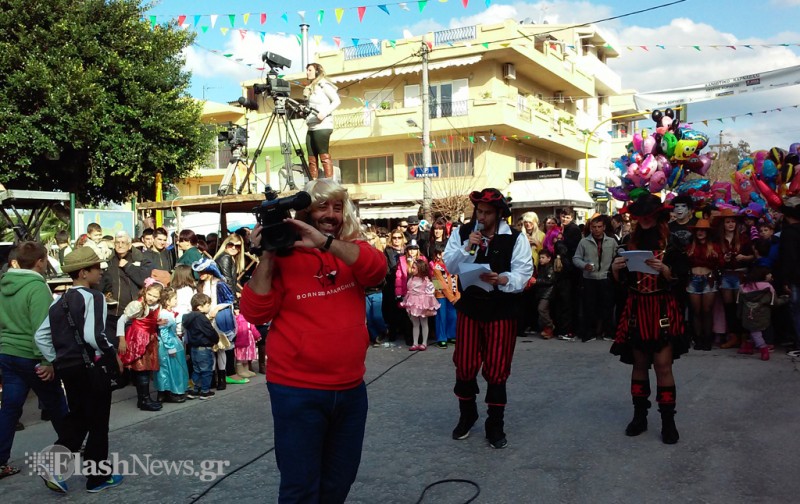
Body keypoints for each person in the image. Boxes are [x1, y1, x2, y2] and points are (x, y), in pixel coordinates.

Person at [240, 178, 386, 503]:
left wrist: (324, 244)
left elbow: (376, 271)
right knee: (300, 487)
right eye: (323, 206)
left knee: (339, 481)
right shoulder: (282, 257)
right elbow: (254, 313)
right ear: (305, 210)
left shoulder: (352, 251)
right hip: (296, 391)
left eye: (337, 207)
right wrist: (267, 255)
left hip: (350, 390)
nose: (331, 214)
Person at [443, 188, 533, 449]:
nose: (481, 217)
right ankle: (467, 414)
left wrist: (502, 279)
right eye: (479, 211)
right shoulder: (462, 233)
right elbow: (449, 266)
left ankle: (495, 424)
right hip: (471, 307)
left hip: (501, 310)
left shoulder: (515, 238)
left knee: (496, 369)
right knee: (465, 364)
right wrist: (467, 246)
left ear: (499, 214)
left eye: (487, 212)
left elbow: (523, 272)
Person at [34, 247, 124, 493]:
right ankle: (97, 477)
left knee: (80, 417)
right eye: (97, 269)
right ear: (84, 272)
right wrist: (111, 353)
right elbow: (94, 335)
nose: (100, 273)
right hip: (91, 367)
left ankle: (53, 464)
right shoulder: (94, 297)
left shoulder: (58, 301)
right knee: (97, 422)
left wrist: (56, 358)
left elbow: (40, 336)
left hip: (68, 368)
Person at [610, 194, 687, 445]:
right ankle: (639, 417)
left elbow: (682, 279)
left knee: (664, 366)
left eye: (649, 215)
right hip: (636, 308)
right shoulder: (627, 242)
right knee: (639, 365)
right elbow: (621, 286)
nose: (644, 220)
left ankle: (668, 423)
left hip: (662, 308)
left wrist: (666, 270)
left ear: (658, 216)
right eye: (640, 216)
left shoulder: (673, 242)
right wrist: (615, 271)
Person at [0, 242, 69, 480]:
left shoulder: (3, 284)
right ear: (39, 261)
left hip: (8, 353)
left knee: (9, 408)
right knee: (56, 404)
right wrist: (47, 361)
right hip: (32, 355)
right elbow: (42, 327)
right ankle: (73, 445)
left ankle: (0, 461)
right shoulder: (37, 287)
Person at [117, 280, 164, 411]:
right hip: (137, 339)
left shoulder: (157, 306)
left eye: (155, 296)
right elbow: (121, 320)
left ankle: (145, 398)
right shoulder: (138, 305)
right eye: (150, 294)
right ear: (145, 292)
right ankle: (143, 400)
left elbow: (150, 320)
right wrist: (121, 339)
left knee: (146, 369)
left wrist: (157, 323)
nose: (151, 298)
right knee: (141, 369)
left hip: (149, 339)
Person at [100, 231, 152, 348]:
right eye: (117, 242)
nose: (120, 245)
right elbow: (100, 282)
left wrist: (128, 266)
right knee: (113, 347)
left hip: (133, 314)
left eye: (123, 242)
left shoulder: (140, 259)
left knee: (131, 348)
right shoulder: (108, 261)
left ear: (129, 245)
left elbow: (143, 280)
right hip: (112, 313)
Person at [573, 214, 618, 342]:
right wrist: (584, 265)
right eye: (594, 227)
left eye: (599, 227)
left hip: (605, 277)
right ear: (590, 228)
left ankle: (608, 332)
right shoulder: (584, 242)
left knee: (607, 306)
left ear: (604, 227)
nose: (597, 229)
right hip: (589, 278)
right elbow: (576, 258)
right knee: (589, 307)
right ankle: (589, 332)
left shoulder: (611, 241)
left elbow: (617, 256)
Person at [716, 209, 754, 349]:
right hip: (726, 274)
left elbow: (753, 256)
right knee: (729, 307)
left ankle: (744, 337)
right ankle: (733, 336)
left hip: (740, 274)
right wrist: (723, 259)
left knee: (741, 306)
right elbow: (714, 257)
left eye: (733, 222)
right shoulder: (718, 239)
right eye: (728, 222)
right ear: (723, 224)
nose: (731, 224)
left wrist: (744, 257)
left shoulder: (743, 237)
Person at [685, 219, 722, 350]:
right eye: (697, 230)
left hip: (709, 279)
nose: (700, 232)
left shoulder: (715, 247)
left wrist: (717, 258)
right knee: (696, 311)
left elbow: (720, 263)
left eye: (702, 230)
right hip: (693, 279)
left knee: (707, 311)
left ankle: (707, 339)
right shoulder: (690, 247)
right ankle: (698, 339)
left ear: (707, 232)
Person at [303, 63, 341, 179]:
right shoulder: (311, 88)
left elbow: (337, 101)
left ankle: (329, 183)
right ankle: (313, 184)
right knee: (311, 157)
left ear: (317, 71)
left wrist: (324, 113)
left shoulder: (324, 85)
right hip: (311, 126)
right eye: (307, 70)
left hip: (323, 126)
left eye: (310, 70)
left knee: (323, 156)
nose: (307, 72)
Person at [738, 266, 782, 361]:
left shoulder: (744, 287)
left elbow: (740, 303)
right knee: (756, 332)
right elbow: (775, 302)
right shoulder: (768, 287)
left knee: (753, 330)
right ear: (763, 276)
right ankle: (763, 349)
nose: (771, 275)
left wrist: (739, 314)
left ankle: (749, 347)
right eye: (768, 273)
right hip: (762, 315)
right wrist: (785, 299)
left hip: (748, 314)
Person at [153, 287, 190, 402]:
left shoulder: (166, 313)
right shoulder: (165, 314)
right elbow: (164, 333)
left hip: (168, 343)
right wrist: (170, 347)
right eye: (174, 299)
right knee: (172, 369)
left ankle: (163, 393)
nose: (176, 301)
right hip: (169, 344)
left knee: (165, 369)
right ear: (167, 301)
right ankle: (173, 392)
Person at [183, 293, 219, 400]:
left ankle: (194, 390)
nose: (209, 307)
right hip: (203, 348)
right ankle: (205, 391)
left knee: (197, 370)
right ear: (199, 306)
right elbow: (210, 332)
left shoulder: (189, 317)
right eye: (208, 305)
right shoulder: (201, 318)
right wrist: (216, 339)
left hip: (194, 348)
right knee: (206, 370)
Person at [400, 258, 439, 351]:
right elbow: (409, 291)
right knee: (415, 324)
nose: (412, 269)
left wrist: (428, 306)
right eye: (412, 267)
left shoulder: (426, 280)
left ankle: (424, 342)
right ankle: (415, 343)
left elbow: (430, 293)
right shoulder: (411, 278)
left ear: (420, 269)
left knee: (424, 323)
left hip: (422, 303)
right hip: (412, 303)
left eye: (414, 268)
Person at [430, 244, 459, 348]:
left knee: (453, 316)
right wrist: (452, 298)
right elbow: (441, 285)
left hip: (453, 294)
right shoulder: (436, 267)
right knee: (441, 317)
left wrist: (457, 295)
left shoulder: (453, 266)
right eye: (440, 253)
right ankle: (441, 338)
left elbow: (456, 280)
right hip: (440, 295)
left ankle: (451, 335)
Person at [382, 229, 407, 343]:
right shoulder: (387, 250)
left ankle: (407, 334)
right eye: (394, 238)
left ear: (402, 238)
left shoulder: (407, 250)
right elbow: (386, 267)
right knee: (392, 309)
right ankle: (393, 334)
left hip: (406, 283)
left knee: (406, 309)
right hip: (392, 284)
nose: (396, 240)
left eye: (399, 237)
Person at [534, 249, 556, 339]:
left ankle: (549, 326)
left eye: (543, 257)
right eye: (540, 258)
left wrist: (536, 281)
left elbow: (550, 280)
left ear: (549, 258)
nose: (541, 259)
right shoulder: (542, 267)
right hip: (542, 292)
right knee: (543, 311)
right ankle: (546, 329)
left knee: (542, 309)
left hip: (547, 293)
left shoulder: (550, 268)